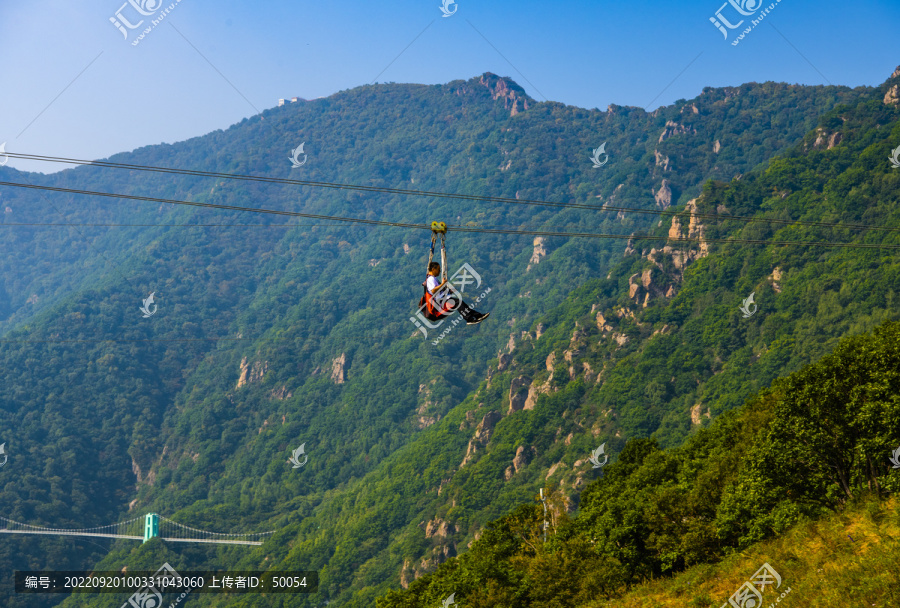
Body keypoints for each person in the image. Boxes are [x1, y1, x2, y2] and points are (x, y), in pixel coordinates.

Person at [423, 262, 489, 325]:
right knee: (459, 303)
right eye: (438, 269)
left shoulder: (433, 279)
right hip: (442, 301)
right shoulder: (431, 279)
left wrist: (448, 291)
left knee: (462, 304)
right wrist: (443, 284)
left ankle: (477, 316)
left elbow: (438, 290)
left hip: (444, 299)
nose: (439, 271)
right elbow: (433, 291)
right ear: (433, 269)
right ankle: (470, 318)